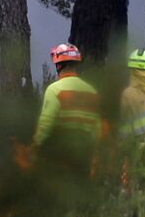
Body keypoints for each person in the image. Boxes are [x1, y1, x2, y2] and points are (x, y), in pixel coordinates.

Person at [32, 43, 102, 177]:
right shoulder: (92, 92)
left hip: (61, 156)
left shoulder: (55, 90)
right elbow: (97, 129)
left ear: (58, 65)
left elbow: (45, 125)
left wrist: (35, 147)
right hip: (84, 157)